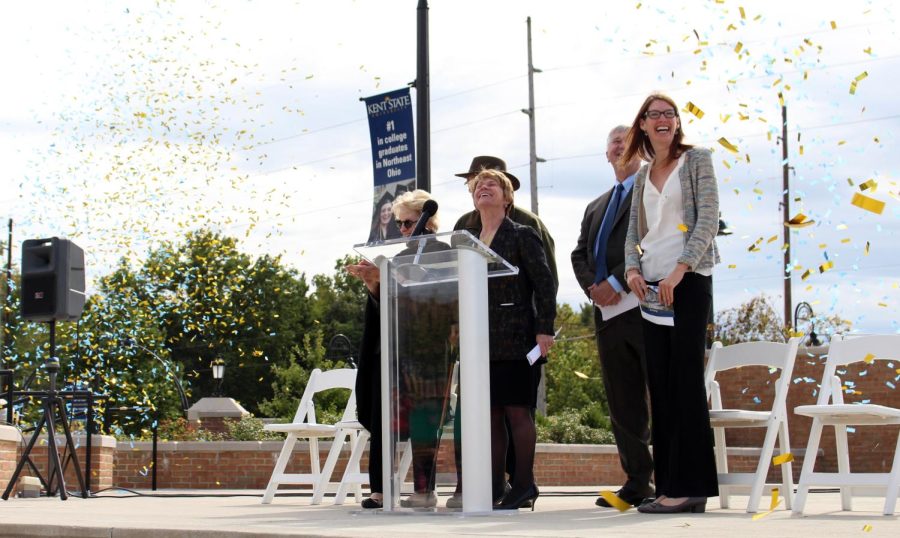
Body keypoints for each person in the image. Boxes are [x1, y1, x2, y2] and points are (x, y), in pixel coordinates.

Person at [621, 93, 720, 514]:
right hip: (651, 287)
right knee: (658, 386)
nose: (662, 119)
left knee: (684, 382)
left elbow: (708, 218)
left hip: (688, 281)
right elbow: (632, 234)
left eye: (668, 114)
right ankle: (668, 487)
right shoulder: (643, 175)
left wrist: (681, 270)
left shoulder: (697, 159)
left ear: (677, 123)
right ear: (642, 124)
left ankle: (692, 486)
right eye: (653, 114)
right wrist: (631, 272)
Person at [458, 168, 556, 511]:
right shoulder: (468, 242)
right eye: (478, 185)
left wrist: (545, 328)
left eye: (492, 184)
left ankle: (524, 484)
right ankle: (494, 486)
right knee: (491, 414)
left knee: (517, 412)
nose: (483, 187)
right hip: (481, 343)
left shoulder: (522, 234)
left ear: (507, 196)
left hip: (517, 338)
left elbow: (544, 284)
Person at [347, 189, 451, 509]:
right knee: (381, 418)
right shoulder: (400, 258)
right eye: (401, 225)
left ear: (428, 219)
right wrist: (374, 287)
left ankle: (423, 490)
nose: (405, 230)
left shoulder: (446, 253)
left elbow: (442, 299)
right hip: (392, 352)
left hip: (425, 351)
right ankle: (379, 489)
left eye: (409, 223)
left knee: (423, 421)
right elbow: (387, 309)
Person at [571, 125, 654, 508]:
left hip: (645, 304)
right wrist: (595, 287)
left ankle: (670, 477)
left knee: (658, 394)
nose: (619, 146)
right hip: (607, 313)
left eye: (626, 140)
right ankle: (637, 482)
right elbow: (578, 254)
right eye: (613, 142)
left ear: (639, 147)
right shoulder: (596, 206)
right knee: (622, 400)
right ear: (606, 155)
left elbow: (653, 239)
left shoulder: (652, 188)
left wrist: (617, 282)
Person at [452, 156, 558, 290]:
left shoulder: (529, 223)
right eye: (474, 182)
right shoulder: (463, 224)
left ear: (506, 188)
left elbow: (547, 281)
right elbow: (456, 274)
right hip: (474, 308)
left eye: (491, 182)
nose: (482, 186)